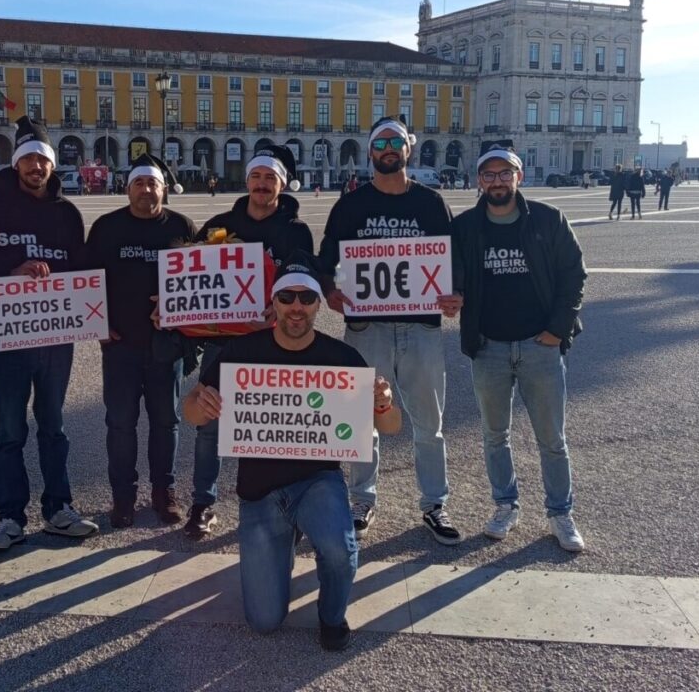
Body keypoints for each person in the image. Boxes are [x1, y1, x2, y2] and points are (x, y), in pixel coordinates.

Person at [183, 251, 401, 650]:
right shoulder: (241, 353)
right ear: (273, 304)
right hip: (259, 492)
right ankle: (286, 538)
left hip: (317, 480)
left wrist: (382, 403)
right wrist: (202, 403)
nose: (296, 307)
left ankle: (332, 616)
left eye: (306, 297)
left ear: (319, 304)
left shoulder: (342, 358)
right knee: (264, 621)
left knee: (338, 547)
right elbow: (192, 411)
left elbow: (390, 426)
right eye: (287, 297)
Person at [0, 115, 98, 551]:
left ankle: (59, 509)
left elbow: (81, 271)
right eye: (28, 159)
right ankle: (9, 517)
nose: (36, 166)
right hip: (9, 336)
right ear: (17, 164)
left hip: (55, 337)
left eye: (42, 160)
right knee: (11, 430)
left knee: (54, 426)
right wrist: (9, 271)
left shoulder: (67, 214)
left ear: (52, 166)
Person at [319, 116, 461, 545]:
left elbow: (452, 261)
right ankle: (362, 498)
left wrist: (455, 294)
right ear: (370, 152)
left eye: (395, 142)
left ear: (408, 149)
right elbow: (326, 260)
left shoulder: (432, 203)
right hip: (367, 327)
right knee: (362, 417)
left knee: (429, 421)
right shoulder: (350, 205)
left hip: (421, 326)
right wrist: (329, 290)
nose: (387, 149)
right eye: (379, 142)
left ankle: (435, 503)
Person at [448, 141, 587, 552]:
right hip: (488, 346)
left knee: (552, 439)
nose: (496, 181)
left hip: (539, 345)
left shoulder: (548, 219)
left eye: (504, 174)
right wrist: (452, 296)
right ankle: (505, 504)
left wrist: (558, 331)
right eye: (489, 175)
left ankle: (561, 512)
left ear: (518, 177)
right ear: (479, 181)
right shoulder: (466, 227)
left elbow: (574, 276)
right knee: (495, 436)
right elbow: (450, 274)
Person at [184, 144, 314, 539]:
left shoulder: (296, 231)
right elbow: (193, 279)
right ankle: (203, 503)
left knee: (275, 423)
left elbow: (305, 280)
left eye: (269, 178)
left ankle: (278, 502)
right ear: (247, 181)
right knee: (208, 422)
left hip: (276, 341)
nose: (262, 184)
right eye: (256, 177)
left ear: (281, 184)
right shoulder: (219, 224)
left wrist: (283, 305)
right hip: (224, 342)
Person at [86, 153, 198, 528]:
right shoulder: (105, 228)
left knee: (166, 422)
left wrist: (179, 311)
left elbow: (200, 282)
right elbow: (87, 281)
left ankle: (163, 492)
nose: (146, 190)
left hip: (167, 346)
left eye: (153, 184)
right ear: (128, 187)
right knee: (120, 423)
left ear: (164, 189)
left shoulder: (182, 226)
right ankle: (123, 495)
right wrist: (96, 324)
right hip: (119, 344)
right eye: (139, 183)